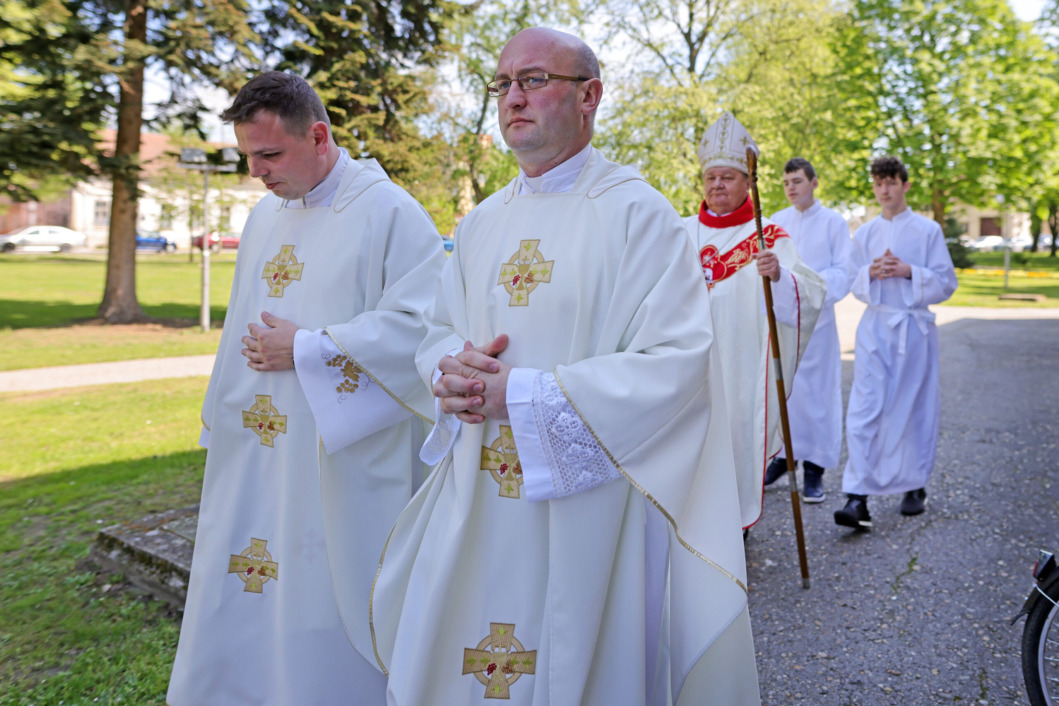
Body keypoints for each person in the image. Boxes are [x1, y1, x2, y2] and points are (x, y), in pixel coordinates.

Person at [367, 28, 758, 705]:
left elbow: (678, 363)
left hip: (590, 509)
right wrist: (447, 369)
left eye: (534, 80)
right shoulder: (483, 222)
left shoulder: (639, 216)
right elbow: (434, 330)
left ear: (590, 96)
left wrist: (523, 395)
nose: (512, 97)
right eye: (502, 84)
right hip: (479, 496)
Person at [167, 71, 446, 705]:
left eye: (270, 154)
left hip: (338, 459)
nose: (257, 172)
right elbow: (241, 321)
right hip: (259, 455)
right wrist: (222, 419)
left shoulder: (389, 212)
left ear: (318, 135)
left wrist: (310, 347)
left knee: (323, 591)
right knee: (248, 582)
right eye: (247, 157)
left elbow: (424, 330)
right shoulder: (266, 215)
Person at [683, 112, 825, 530]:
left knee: (733, 440)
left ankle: (731, 527)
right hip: (688, 365)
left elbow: (810, 293)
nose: (717, 186)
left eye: (727, 177)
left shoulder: (768, 236)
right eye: (711, 178)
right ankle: (689, 523)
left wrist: (779, 276)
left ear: (748, 182)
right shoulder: (680, 231)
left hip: (742, 368)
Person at [834, 155, 957, 530]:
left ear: (905, 185)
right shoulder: (866, 233)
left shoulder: (927, 230)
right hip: (875, 329)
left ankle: (914, 485)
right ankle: (857, 496)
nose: (884, 190)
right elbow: (852, 281)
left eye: (890, 182)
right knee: (865, 407)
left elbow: (946, 283)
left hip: (913, 332)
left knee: (914, 407)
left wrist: (909, 272)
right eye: (878, 183)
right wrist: (870, 273)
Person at [765, 158, 852, 502]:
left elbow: (843, 272)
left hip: (819, 324)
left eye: (797, 181)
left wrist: (807, 285)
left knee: (817, 395)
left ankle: (815, 470)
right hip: (785, 320)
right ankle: (784, 458)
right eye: (786, 182)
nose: (791, 187)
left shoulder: (833, 223)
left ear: (814, 183)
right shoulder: (775, 223)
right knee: (786, 390)